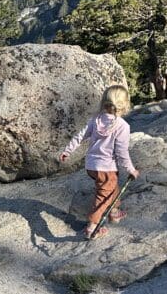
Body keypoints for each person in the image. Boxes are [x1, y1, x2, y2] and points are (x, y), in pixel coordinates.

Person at [58, 85, 139, 239]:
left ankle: (114, 212)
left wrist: (67, 151)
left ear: (104, 102)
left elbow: (79, 136)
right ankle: (92, 227)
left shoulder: (95, 120)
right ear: (125, 104)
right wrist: (130, 169)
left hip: (91, 166)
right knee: (103, 196)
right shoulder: (122, 126)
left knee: (110, 187)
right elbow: (122, 153)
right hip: (106, 168)